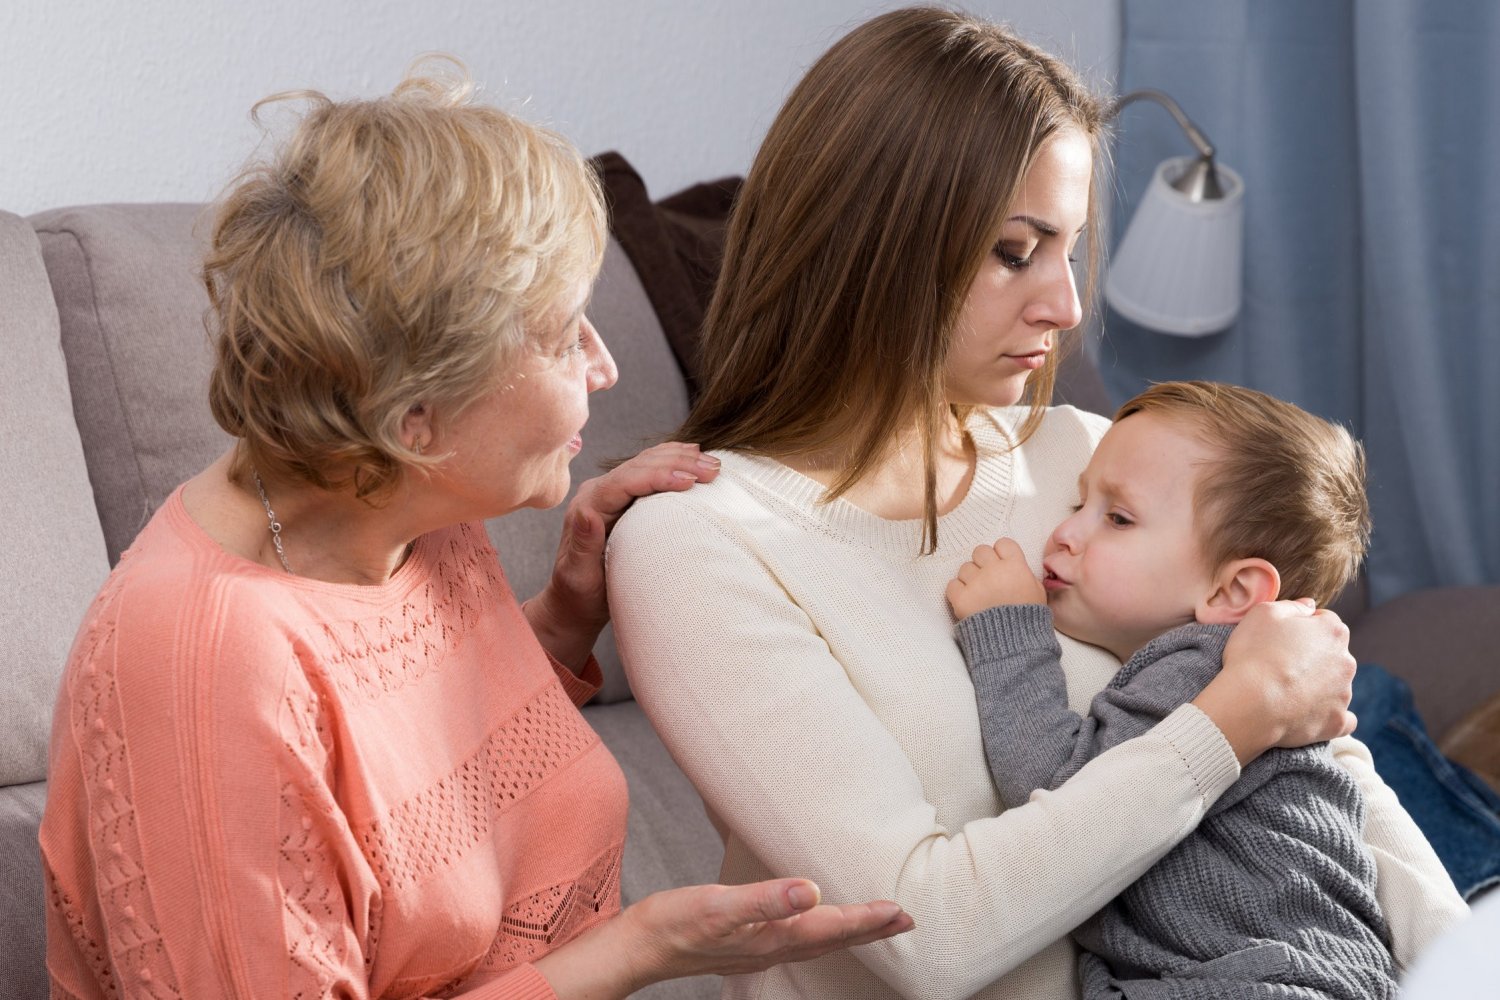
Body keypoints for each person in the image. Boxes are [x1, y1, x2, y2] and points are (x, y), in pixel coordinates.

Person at [605, 8, 1463, 999]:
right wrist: (1228, 722)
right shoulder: (701, 542)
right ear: (870, 243)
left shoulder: (1092, 463)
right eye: (1016, 251)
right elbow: (929, 934)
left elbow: (1329, 784)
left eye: (1071, 250)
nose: (1063, 306)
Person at [37, 65, 914, 1000]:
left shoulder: (400, 510)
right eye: (567, 335)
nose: (608, 367)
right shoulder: (203, 663)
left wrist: (567, 616)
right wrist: (639, 949)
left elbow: (403, 778)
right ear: (418, 420)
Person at [946, 381, 1467, 999]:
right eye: (1077, 503)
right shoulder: (1210, 665)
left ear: (1232, 593)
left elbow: (1057, 789)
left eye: (1117, 518)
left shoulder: (1201, 666)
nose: (1063, 533)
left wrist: (1008, 631)